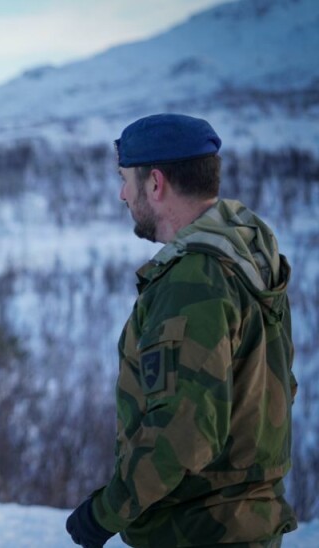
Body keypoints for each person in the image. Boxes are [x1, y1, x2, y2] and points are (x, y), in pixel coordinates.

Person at [66, 114, 298, 548]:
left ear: (155, 183)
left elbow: (184, 430)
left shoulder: (195, 281)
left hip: (198, 530)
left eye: (124, 180)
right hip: (246, 521)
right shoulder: (246, 254)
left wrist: (104, 513)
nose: (121, 194)